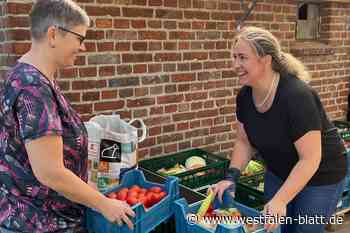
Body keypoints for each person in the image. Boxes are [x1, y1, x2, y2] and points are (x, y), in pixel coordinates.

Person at [0, 0, 135, 232]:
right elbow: (50, 172)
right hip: (40, 223)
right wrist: (103, 204)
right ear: (53, 34)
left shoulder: (35, 78)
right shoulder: (33, 88)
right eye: (80, 38)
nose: (82, 47)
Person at [213, 26, 347, 233]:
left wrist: (280, 200)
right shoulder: (245, 96)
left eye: (242, 58)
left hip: (320, 175)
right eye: (234, 57)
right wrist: (230, 177)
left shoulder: (297, 96)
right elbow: (244, 140)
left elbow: (309, 159)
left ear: (265, 60)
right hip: (279, 171)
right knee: (277, 229)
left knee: (304, 229)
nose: (235, 65)